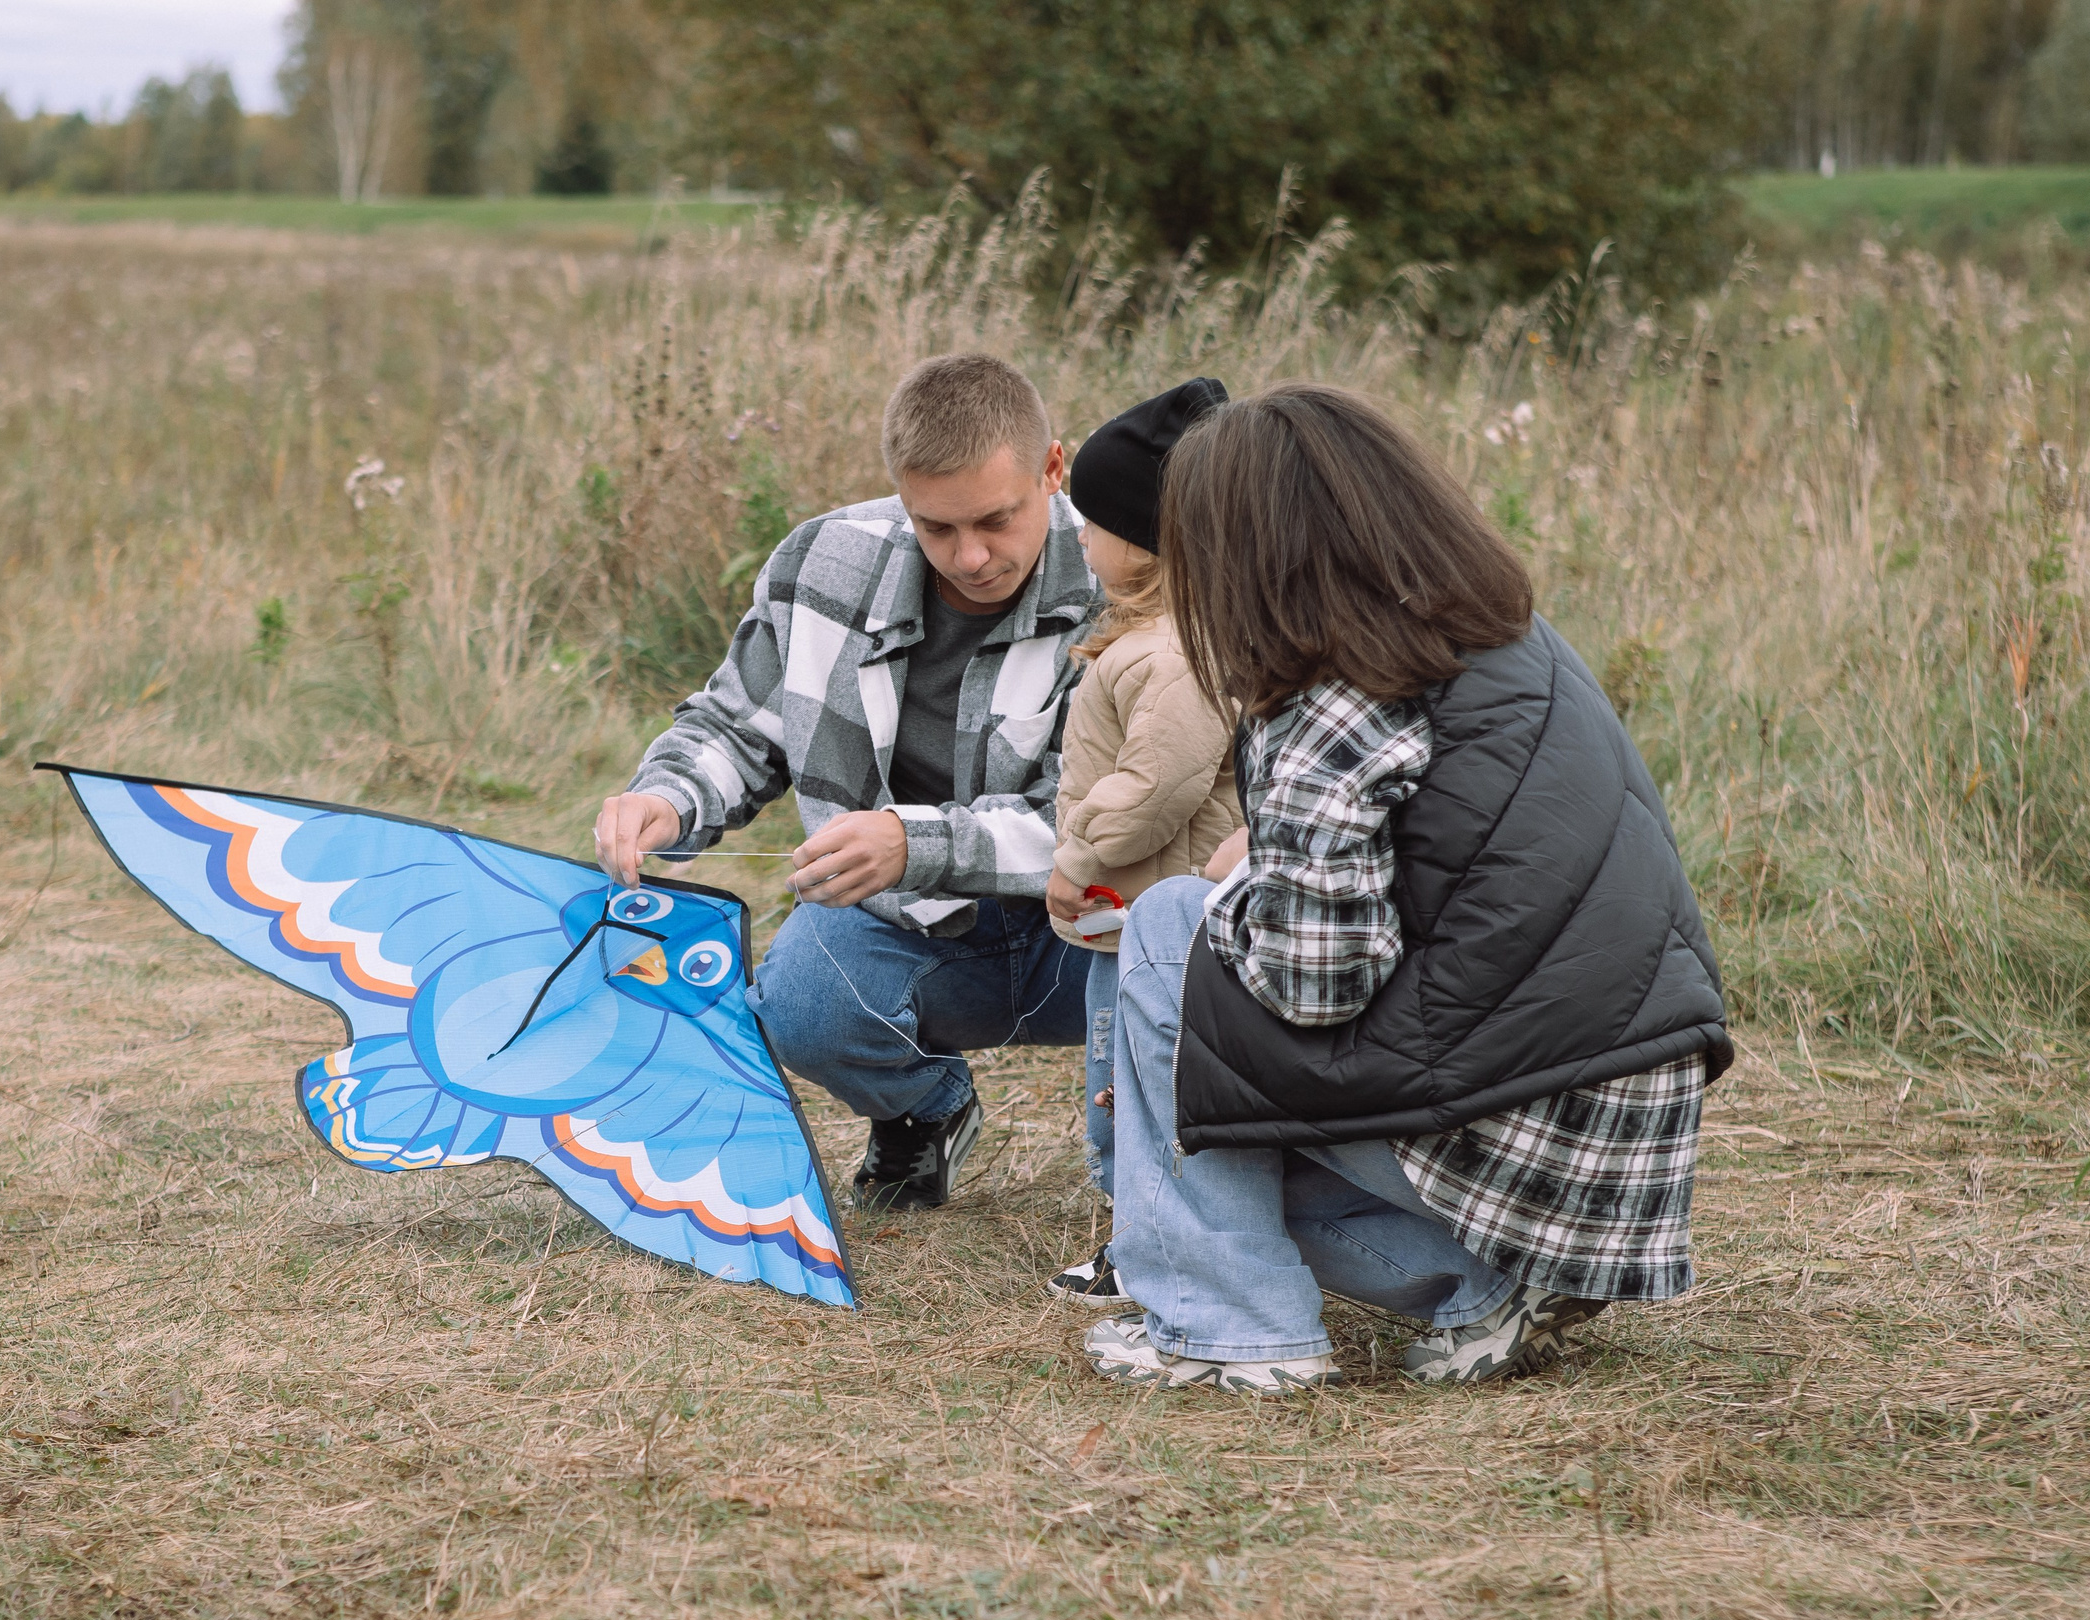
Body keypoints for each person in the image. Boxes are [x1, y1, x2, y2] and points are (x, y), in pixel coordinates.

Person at [1082, 382, 1734, 1396]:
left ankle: (1227, 1327)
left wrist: (1242, 884)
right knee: (1221, 1114)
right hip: (1622, 1125)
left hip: (1526, 1130)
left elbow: (1315, 985)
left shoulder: (1331, 694)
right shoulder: (1499, 636)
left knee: (1171, 929)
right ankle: (1482, 1284)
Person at [593, 353, 1098, 1210]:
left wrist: (915, 843)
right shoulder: (822, 560)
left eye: (995, 520)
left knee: (1192, 975)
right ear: (902, 495)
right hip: (905, 926)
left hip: (1082, 931)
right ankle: (926, 1112)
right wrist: (666, 797)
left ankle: (1157, 1194)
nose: (970, 556)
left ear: (1054, 468)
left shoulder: (1126, 580)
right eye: (937, 528)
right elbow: (739, 726)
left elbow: (1103, 820)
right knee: (799, 1004)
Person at [1037, 378, 1245, 1306]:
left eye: (1093, 523)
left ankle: (1148, 1245)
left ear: (1148, 541)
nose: (1078, 537)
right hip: (1128, 914)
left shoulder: (1173, 655)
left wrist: (1077, 857)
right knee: (1122, 1081)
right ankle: (1143, 1237)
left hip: (1143, 920)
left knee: (1131, 1087)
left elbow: (1157, 787)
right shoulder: (1157, 641)